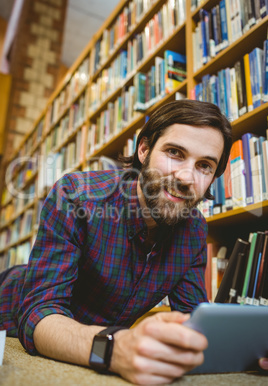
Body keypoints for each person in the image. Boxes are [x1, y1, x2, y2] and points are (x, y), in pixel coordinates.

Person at [0, 100, 267, 384]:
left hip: (93, 347)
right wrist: (116, 347)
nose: (187, 177)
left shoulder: (194, 231)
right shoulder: (76, 196)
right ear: (144, 149)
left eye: (204, 166)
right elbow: (39, 313)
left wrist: (250, 352)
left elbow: (193, 321)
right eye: (175, 153)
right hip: (11, 325)